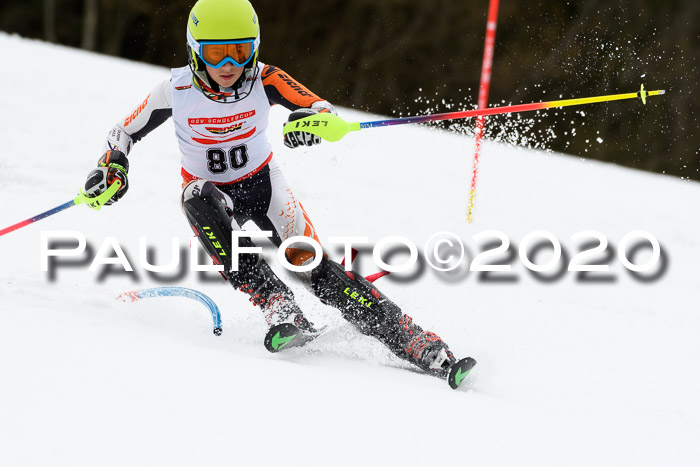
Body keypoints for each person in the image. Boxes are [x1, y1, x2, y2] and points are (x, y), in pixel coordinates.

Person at [83, 0, 457, 377]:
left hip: (265, 187)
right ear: (196, 52)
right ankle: (275, 300)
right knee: (194, 196)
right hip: (213, 194)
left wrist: (312, 122)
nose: (228, 65)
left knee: (316, 270)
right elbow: (123, 132)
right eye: (216, 54)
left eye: (240, 52)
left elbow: (318, 107)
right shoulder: (175, 90)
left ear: (255, 48)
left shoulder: (265, 79)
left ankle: (418, 343)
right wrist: (112, 166)